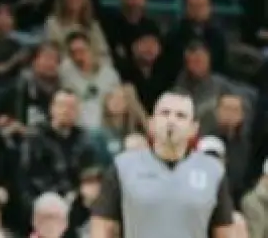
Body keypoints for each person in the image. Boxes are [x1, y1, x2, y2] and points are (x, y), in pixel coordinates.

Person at [90, 90, 236, 238]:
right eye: (165, 113)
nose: (171, 121)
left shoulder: (213, 171)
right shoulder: (123, 166)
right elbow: (103, 225)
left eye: (181, 116)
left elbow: (225, 231)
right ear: (152, 123)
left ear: (193, 128)